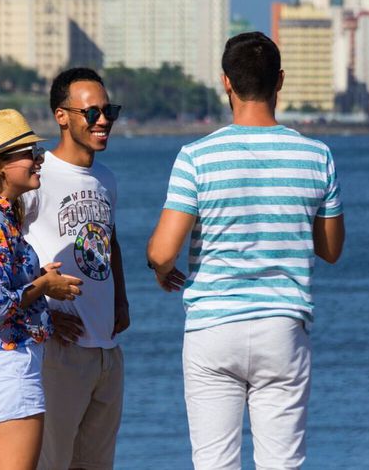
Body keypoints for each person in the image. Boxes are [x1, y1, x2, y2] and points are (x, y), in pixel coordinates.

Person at [146, 32, 345, 469]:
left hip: (213, 328)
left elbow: (163, 252)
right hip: (282, 326)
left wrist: (161, 271)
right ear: (280, 81)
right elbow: (330, 249)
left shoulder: (196, 157)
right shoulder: (317, 156)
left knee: (214, 462)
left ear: (226, 83)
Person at [0, 109, 84, 470]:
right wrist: (44, 285)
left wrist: (38, 281)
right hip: (6, 366)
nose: (38, 160)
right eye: (28, 153)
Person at [20, 67, 130, 470]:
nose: (103, 121)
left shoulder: (106, 178)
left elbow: (109, 242)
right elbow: (3, 256)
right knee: (52, 462)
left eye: (109, 111)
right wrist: (42, 313)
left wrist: (121, 301)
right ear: (61, 115)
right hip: (59, 349)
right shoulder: (37, 176)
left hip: (106, 349)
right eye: (92, 113)